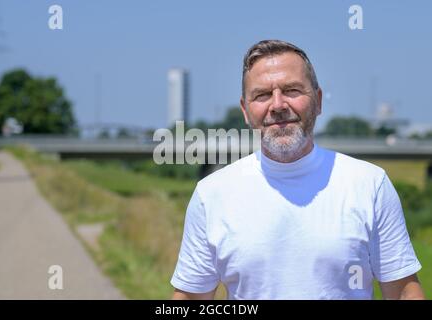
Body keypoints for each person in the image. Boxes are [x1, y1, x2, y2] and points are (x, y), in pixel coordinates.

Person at [170, 40, 425, 300]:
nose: (278, 105)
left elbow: (404, 292)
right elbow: (191, 298)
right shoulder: (211, 194)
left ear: (318, 100)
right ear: (246, 110)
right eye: (262, 95)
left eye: (292, 90)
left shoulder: (370, 184)